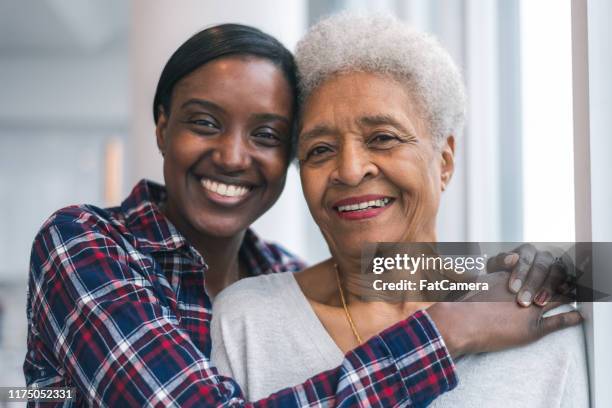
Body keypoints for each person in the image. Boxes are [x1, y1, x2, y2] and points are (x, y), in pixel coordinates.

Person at [25, 22, 578, 408]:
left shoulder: (274, 270)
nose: (234, 156)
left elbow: (387, 273)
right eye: (205, 122)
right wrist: (447, 331)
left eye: (266, 135)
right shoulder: (85, 244)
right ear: (161, 127)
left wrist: (531, 268)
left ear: (446, 159)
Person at [210, 14, 589, 407]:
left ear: (444, 161)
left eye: (383, 138)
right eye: (320, 149)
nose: (351, 170)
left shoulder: (538, 320)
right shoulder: (249, 321)